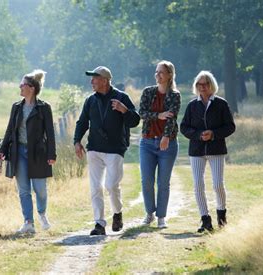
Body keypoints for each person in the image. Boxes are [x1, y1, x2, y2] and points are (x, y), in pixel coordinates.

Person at [74, 66, 140, 235]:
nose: (91, 81)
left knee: (111, 185)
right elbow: (82, 122)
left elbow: (135, 121)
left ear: (104, 80)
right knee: (95, 187)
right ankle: (99, 224)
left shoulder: (121, 97)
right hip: (94, 148)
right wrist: (77, 141)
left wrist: (123, 110)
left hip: (115, 149)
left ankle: (117, 213)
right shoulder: (90, 100)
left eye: (94, 78)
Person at [0, 70, 56, 234]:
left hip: (38, 153)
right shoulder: (16, 107)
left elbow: (50, 133)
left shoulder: (44, 108)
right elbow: (10, 129)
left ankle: (42, 213)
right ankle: (28, 222)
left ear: (31, 88)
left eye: (22, 84)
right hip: (19, 152)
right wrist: (3, 148)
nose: (20, 87)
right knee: (23, 190)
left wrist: (52, 154)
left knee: (40, 190)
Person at [180, 71, 236, 233]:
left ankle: (221, 216)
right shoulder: (192, 105)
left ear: (212, 85)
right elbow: (184, 127)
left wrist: (213, 134)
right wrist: (198, 135)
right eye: (199, 84)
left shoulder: (221, 104)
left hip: (216, 149)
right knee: (198, 185)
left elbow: (230, 127)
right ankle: (205, 219)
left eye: (205, 84)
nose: (202, 87)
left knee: (218, 184)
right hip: (196, 150)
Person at [138, 60, 181, 228]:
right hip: (147, 142)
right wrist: (158, 115)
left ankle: (161, 216)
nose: (157, 75)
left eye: (161, 72)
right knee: (146, 180)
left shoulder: (174, 95)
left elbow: (172, 116)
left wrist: (166, 136)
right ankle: (150, 213)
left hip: (167, 144)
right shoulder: (148, 92)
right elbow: (142, 113)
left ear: (169, 74)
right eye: (156, 72)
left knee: (163, 182)